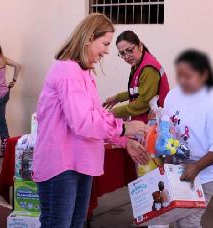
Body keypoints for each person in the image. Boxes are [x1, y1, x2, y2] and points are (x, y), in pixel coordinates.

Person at [32, 14, 149, 228]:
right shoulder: (67, 70)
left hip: (79, 162)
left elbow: (97, 115)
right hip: (61, 165)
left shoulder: (82, 72)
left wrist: (125, 141)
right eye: (104, 44)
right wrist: (124, 128)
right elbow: (83, 121)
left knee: (76, 223)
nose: (106, 51)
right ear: (88, 38)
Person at [164, 49, 213, 228]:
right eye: (180, 75)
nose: (183, 81)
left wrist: (196, 167)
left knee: (188, 221)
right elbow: (167, 128)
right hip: (176, 167)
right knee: (165, 216)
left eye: (188, 76)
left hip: (205, 172)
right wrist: (165, 157)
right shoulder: (173, 95)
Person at [104, 30, 170, 123]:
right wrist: (117, 98)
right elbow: (139, 91)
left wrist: (115, 112)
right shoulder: (139, 64)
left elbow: (143, 103)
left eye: (130, 50)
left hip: (153, 125)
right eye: (122, 53)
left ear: (140, 46)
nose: (127, 56)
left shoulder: (148, 69)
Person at [0, 36, 20, 158]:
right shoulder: (3, 59)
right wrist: (14, 81)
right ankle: (6, 151)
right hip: (4, 95)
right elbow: (18, 65)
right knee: (1, 123)